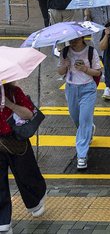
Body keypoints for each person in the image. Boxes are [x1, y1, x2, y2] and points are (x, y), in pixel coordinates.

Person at [0, 82, 47, 233]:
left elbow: (29, 114)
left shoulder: (13, 91)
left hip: (16, 141)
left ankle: (35, 201)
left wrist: (9, 104)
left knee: (27, 175)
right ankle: (3, 222)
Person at [57, 37, 101, 170]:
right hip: (71, 89)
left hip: (88, 89)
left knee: (84, 119)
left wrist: (85, 69)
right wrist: (64, 66)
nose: (72, 41)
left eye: (75, 39)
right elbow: (59, 72)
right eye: (70, 39)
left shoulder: (91, 51)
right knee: (76, 118)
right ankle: (88, 129)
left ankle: (81, 155)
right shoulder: (65, 51)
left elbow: (98, 72)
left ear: (82, 38)